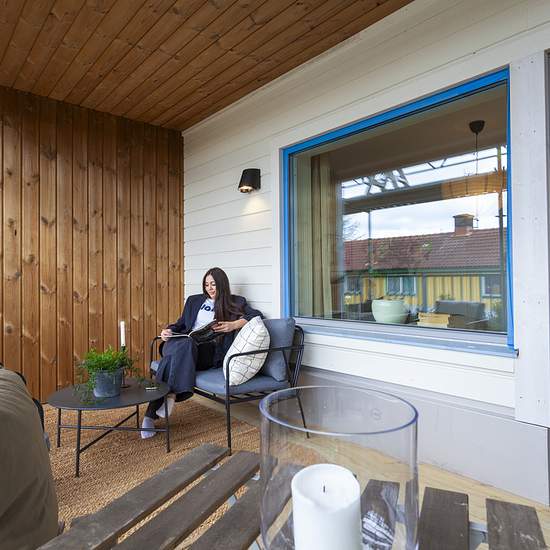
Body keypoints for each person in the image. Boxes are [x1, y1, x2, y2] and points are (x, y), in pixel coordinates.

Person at [141, 267, 262, 438]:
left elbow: (256, 315)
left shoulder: (235, 302)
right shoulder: (194, 301)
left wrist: (233, 325)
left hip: (206, 352)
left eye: (213, 284)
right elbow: (181, 324)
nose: (209, 288)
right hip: (179, 343)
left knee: (171, 359)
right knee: (187, 342)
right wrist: (168, 331)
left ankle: (150, 415)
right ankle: (171, 395)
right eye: (206, 285)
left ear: (222, 284)